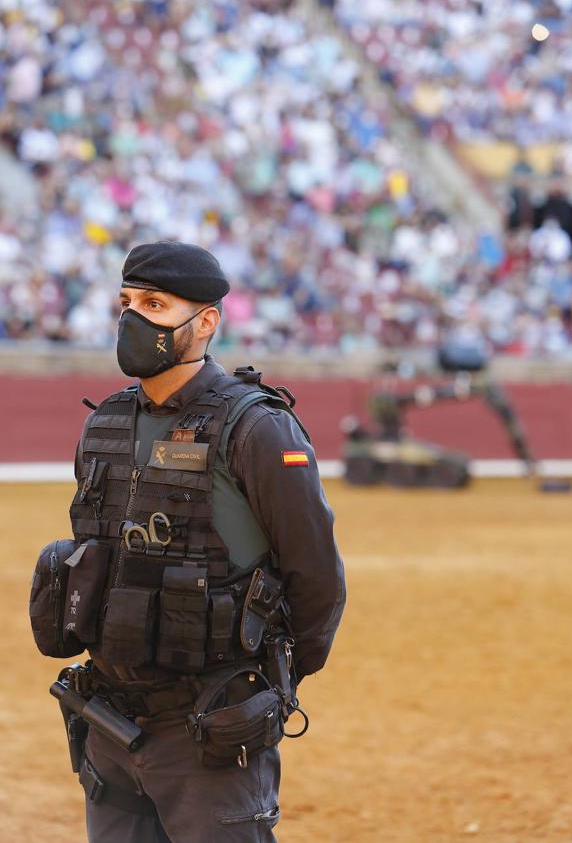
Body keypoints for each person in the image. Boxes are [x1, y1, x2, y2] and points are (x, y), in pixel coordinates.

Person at [43, 240, 346, 842]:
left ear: (205, 321)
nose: (132, 319)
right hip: (107, 719)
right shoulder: (102, 422)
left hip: (210, 724)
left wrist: (276, 677)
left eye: (154, 305)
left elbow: (315, 573)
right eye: (126, 302)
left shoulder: (256, 426)